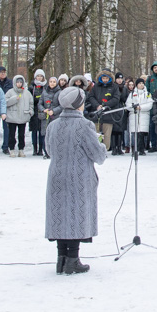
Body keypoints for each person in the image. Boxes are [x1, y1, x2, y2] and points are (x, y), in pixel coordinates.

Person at [45, 86, 106, 275]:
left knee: (61, 214)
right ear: (78, 105)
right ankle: (73, 260)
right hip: (77, 176)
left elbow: (49, 150)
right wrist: (101, 144)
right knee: (74, 216)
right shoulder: (84, 125)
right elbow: (98, 155)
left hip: (56, 175)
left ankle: (61, 259)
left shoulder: (53, 125)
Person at [5, 75, 35, 156]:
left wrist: (30, 112)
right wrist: (14, 99)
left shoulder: (27, 93)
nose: (19, 84)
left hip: (23, 116)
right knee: (12, 134)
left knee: (21, 135)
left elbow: (31, 104)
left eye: (20, 82)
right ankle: (11, 149)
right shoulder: (10, 92)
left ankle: (21, 149)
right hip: (12, 117)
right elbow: (5, 103)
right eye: (17, 82)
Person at [125, 79, 154, 156]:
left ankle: (142, 148)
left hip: (144, 115)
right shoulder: (132, 94)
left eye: (142, 83)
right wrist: (134, 108)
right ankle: (135, 149)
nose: (141, 85)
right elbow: (128, 105)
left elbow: (150, 104)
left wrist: (140, 107)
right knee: (135, 133)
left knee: (142, 133)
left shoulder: (147, 94)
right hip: (134, 115)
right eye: (139, 83)